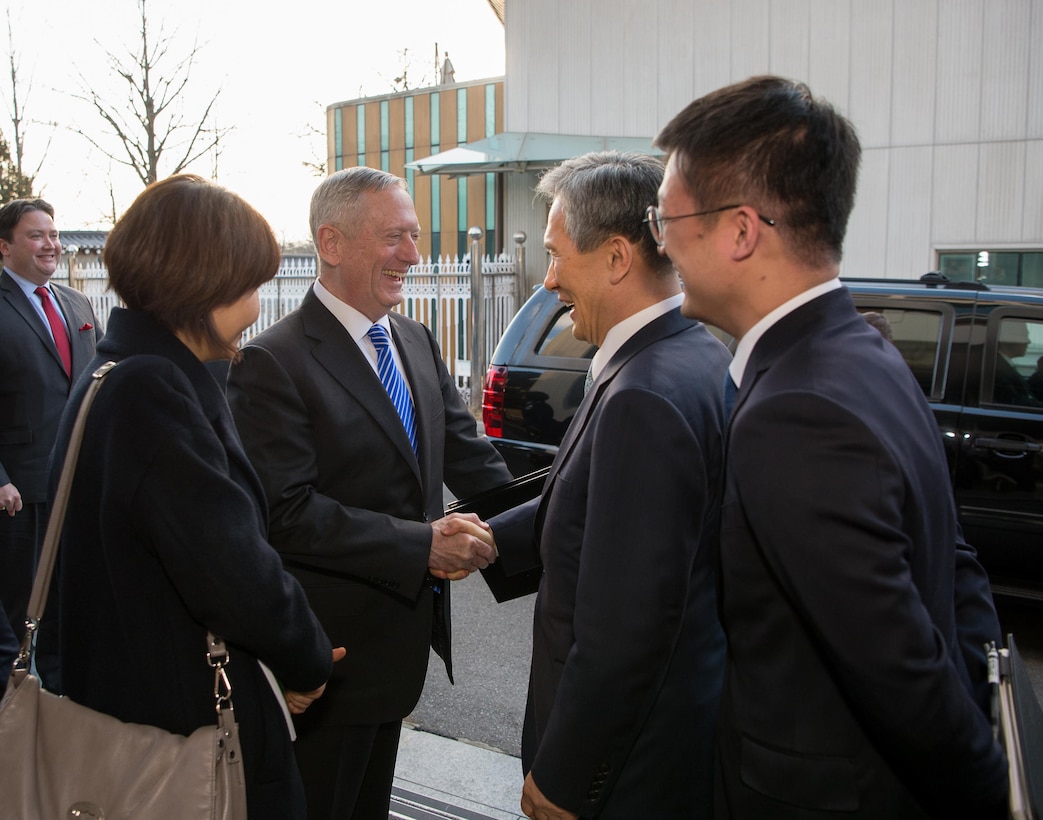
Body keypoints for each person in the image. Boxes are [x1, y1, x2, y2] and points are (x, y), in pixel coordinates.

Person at [653, 76, 1008, 819]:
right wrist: (987, 721)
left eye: (666, 218)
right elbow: (954, 572)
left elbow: (898, 668)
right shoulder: (864, 348)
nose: (663, 244)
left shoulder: (796, 412)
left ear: (740, 230)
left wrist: (991, 793)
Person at [39, 175, 338, 819]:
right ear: (202, 284)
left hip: (120, 707)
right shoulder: (154, 393)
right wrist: (308, 659)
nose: (259, 307)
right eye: (251, 287)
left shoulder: (112, 370)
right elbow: (230, 568)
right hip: (177, 734)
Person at [225, 166, 514, 820]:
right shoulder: (275, 361)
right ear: (331, 242)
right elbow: (287, 513)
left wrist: (554, 529)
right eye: (395, 237)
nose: (412, 255)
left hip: (398, 660)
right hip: (328, 661)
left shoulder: (413, 339)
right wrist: (424, 546)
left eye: (413, 237)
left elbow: (474, 464)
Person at [489, 151, 730, 820]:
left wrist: (566, 774)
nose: (549, 280)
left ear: (618, 257)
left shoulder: (644, 396)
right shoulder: (692, 354)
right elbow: (601, 504)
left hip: (625, 773)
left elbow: (626, 626)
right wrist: (487, 540)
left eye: (557, 255)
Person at [0, 198, 98, 645]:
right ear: (4, 247)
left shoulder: (77, 304)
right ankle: (18, 708)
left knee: (76, 606)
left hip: (83, 482)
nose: (50, 245)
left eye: (54, 235)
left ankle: (63, 706)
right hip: (23, 494)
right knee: (24, 613)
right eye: (36, 236)